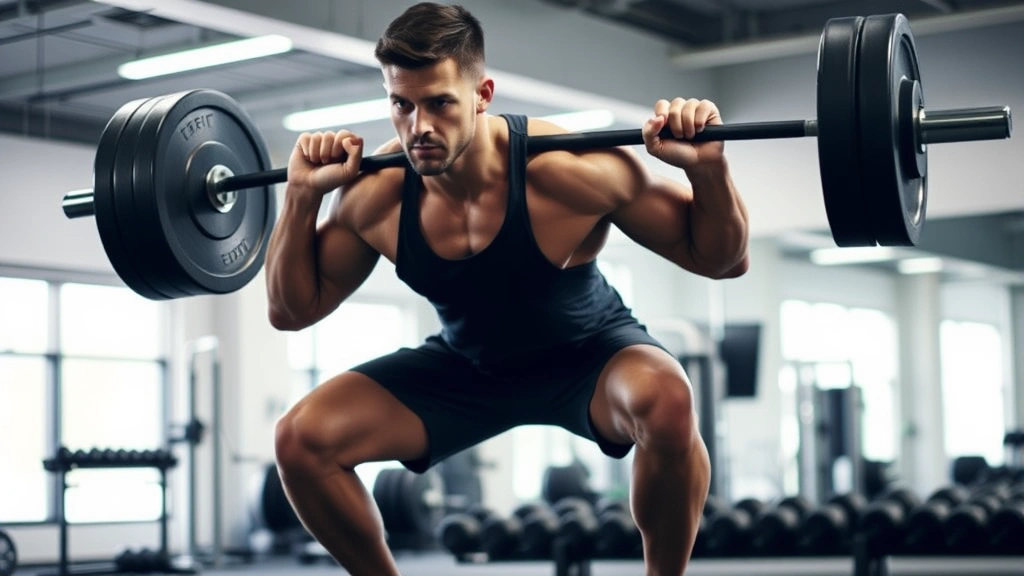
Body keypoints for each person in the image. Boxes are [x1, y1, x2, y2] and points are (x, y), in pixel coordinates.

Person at [266, 3, 749, 575]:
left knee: (668, 401)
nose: (419, 127)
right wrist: (301, 197)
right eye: (402, 104)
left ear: (482, 94)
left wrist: (707, 171)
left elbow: (723, 260)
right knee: (300, 440)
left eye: (440, 103)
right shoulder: (376, 196)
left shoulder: (570, 169)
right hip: (466, 369)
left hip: (587, 357)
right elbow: (292, 311)